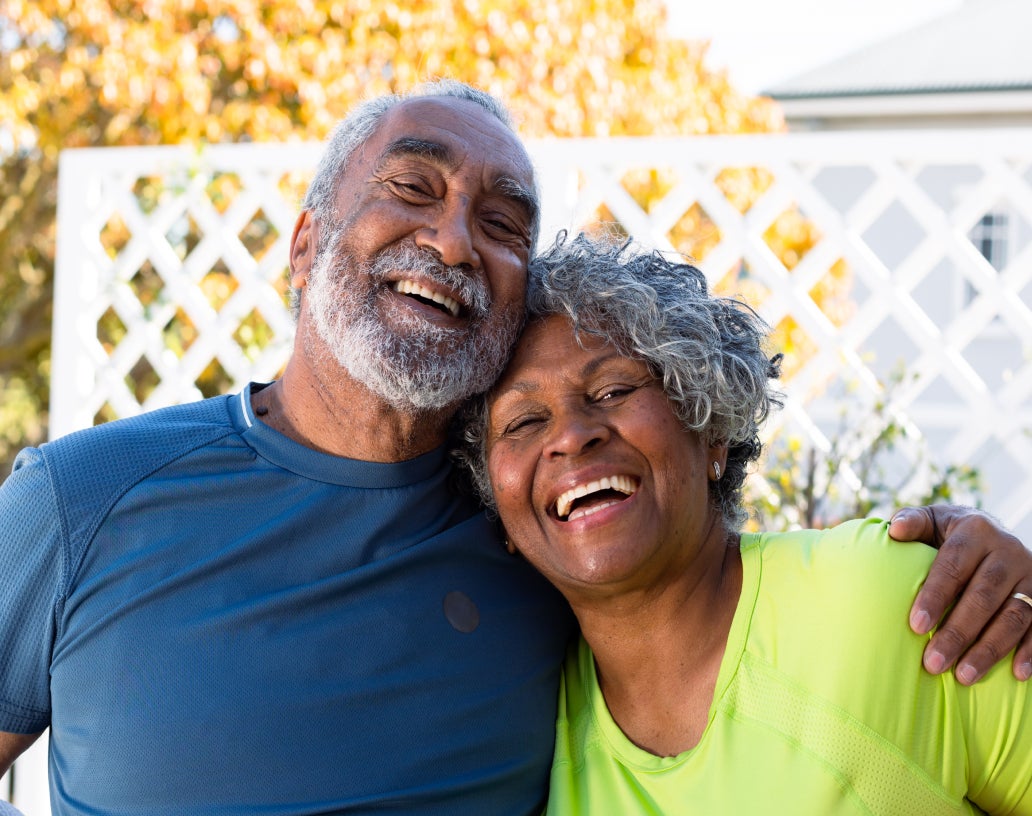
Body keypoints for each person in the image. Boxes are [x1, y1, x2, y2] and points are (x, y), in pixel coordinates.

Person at [0, 82, 1028, 814]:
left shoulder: (541, 542)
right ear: (307, 243)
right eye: (413, 188)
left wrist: (969, 557)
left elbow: (733, 620)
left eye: (502, 222)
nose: (453, 240)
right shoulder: (81, 500)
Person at [458, 232, 1032, 814]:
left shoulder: (885, 600)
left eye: (612, 390)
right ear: (496, 506)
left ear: (711, 431)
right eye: (524, 422)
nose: (573, 435)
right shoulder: (524, 722)